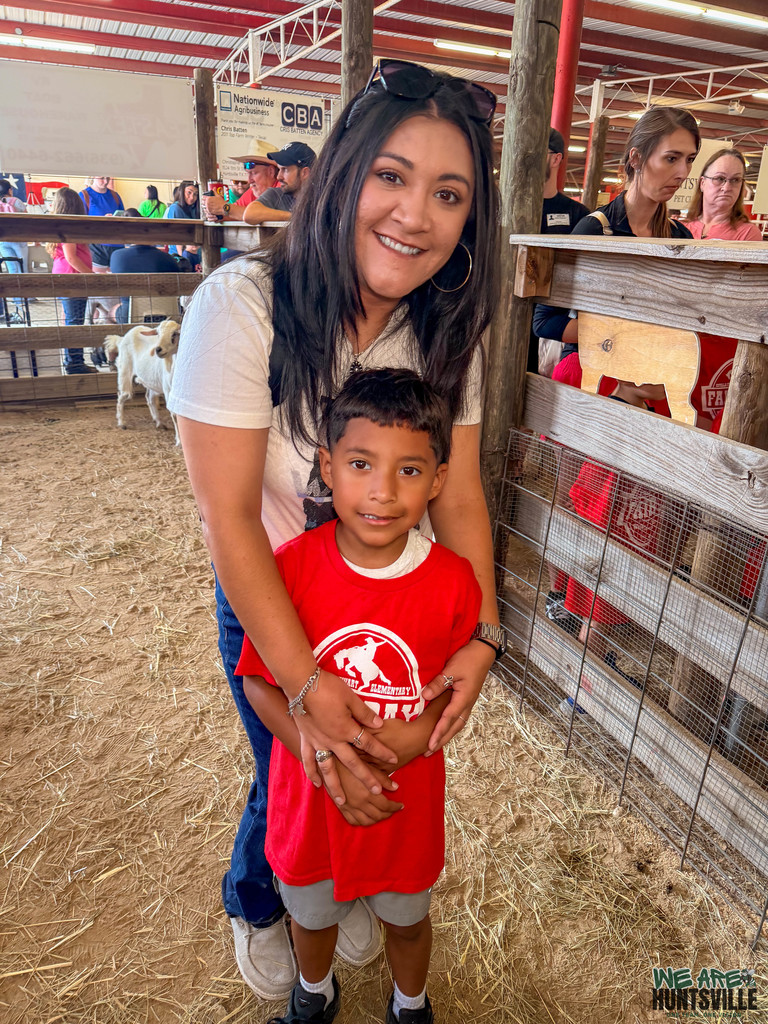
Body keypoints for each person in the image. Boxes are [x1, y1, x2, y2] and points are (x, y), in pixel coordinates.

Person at [168, 58, 502, 1004]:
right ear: (346, 174)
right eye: (391, 177)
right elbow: (229, 519)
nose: (414, 214)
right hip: (276, 591)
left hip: (397, 593)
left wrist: (480, 632)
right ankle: (261, 899)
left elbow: (463, 496)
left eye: (448, 193)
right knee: (291, 762)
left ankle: (355, 885)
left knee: (382, 747)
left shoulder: (444, 332)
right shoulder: (243, 306)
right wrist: (307, 683)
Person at [239, 369, 482, 1024]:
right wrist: (316, 755)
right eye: (360, 463)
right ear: (327, 466)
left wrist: (419, 731)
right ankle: (313, 995)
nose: (381, 491)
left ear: (437, 479)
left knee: (408, 919)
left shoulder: (454, 581)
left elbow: (456, 684)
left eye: (409, 470)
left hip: (404, 804)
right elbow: (259, 680)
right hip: (310, 802)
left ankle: (410, 1004)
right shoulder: (289, 567)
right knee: (310, 916)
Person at [532, 129, 590, 374]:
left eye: (536, 153)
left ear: (556, 159)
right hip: (501, 319)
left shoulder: (580, 216)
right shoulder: (500, 210)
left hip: (553, 327)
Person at [45, 187, 97, 374]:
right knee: (75, 322)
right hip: (72, 278)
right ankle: (75, 364)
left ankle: (74, 361)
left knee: (72, 319)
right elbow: (72, 257)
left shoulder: (60, 224)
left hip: (66, 276)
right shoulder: (68, 227)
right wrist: (91, 276)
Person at [202, 142, 316, 225]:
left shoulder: (283, 189)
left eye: (254, 173)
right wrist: (219, 212)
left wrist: (224, 208)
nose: (249, 180)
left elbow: (242, 212)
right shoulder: (273, 192)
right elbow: (246, 213)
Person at [109, 209, 180, 324]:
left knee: (112, 311)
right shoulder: (167, 258)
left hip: (131, 314)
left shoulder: (117, 256)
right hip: (165, 314)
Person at [685, 148, 761, 242]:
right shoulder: (681, 228)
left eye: (735, 180)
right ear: (702, 183)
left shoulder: (748, 234)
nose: (727, 188)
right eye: (719, 178)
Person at [79, 175, 125, 273]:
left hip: (117, 243)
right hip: (96, 244)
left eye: (107, 178)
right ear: (93, 177)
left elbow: (124, 217)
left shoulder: (115, 196)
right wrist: (101, 221)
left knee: (118, 279)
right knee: (98, 280)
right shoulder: (84, 195)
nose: (105, 182)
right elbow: (80, 223)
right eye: (102, 178)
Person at [0, 177, 29, 321]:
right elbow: (27, 218)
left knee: (12, 270)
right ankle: (26, 296)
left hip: (3, 240)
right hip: (19, 239)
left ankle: (16, 300)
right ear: (9, 190)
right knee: (23, 269)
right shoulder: (16, 201)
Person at [164, 180, 200, 268]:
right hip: (180, 257)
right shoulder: (175, 208)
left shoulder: (194, 209)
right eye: (189, 192)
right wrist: (184, 262)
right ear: (181, 191)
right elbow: (177, 237)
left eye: (195, 194)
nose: (192, 197)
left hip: (194, 254)